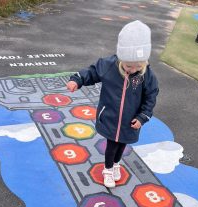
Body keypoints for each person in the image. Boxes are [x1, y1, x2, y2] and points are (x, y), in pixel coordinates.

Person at [67, 20, 159, 188]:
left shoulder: (146, 75)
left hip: (130, 120)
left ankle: (116, 164)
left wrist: (142, 117)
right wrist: (77, 80)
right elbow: (92, 72)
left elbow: (150, 97)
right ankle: (108, 169)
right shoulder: (109, 65)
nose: (132, 70)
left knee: (122, 143)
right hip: (110, 115)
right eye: (128, 65)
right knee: (112, 144)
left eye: (138, 66)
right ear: (120, 58)